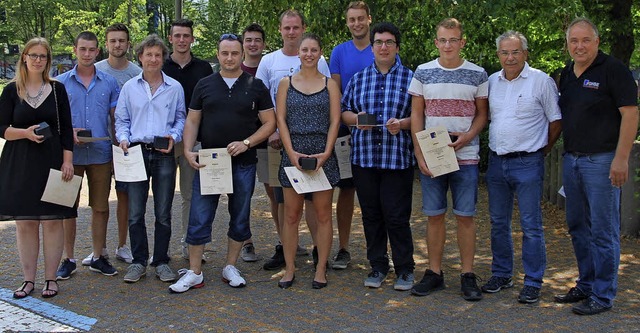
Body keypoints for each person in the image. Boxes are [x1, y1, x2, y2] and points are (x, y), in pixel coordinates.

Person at [168, 33, 276, 292]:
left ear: (242, 55)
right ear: (217, 55)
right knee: (199, 216)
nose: (230, 58)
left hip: (244, 162)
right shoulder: (205, 85)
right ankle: (195, 272)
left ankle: (230, 266)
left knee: (239, 216)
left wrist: (247, 143)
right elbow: (193, 120)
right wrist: (189, 149)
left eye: (234, 53)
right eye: (225, 53)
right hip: (210, 162)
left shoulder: (255, 85)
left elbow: (270, 122)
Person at [555, 17, 639, 315]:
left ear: (597, 42)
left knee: (603, 230)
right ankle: (587, 284)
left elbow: (630, 115)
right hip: (572, 160)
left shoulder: (613, 70)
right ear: (568, 44)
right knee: (578, 226)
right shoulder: (566, 73)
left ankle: (603, 295)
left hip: (602, 161)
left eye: (585, 40)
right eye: (573, 41)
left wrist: (621, 157)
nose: (579, 46)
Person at [409, 18, 488, 301]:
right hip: (434, 156)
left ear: (462, 42)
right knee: (434, 216)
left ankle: (467, 275)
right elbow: (417, 115)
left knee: (465, 217)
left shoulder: (477, 74)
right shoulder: (423, 72)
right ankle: (434, 273)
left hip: (466, 156)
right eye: (442, 40)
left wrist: (468, 136)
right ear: (436, 42)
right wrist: (419, 152)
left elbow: (482, 113)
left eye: (453, 40)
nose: (447, 45)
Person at [481, 31, 562, 303]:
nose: (510, 57)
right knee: (498, 222)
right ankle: (502, 274)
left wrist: (542, 150)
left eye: (515, 52)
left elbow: (555, 121)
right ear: (498, 55)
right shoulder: (492, 81)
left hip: (528, 162)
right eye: (504, 52)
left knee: (531, 225)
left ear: (525, 53)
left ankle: (533, 280)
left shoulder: (541, 81)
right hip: (496, 162)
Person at [341, 22, 415, 291]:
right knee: (371, 215)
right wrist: (357, 119)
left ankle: (405, 268)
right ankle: (378, 266)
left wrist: (404, 124)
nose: (384, 47)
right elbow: (343, 112)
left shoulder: (411, 79)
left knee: (396, 216)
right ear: (372, 47)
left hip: (397, 159)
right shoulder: (359, 78)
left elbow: (421, 117)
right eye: (379, 42)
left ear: (397, 47)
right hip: (365, 159)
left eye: (389, 42)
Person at [256, 9, 331, 270]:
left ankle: (319, 255)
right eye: (286, 28)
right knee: (285, 205)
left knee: (317, 206)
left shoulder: (322, 67)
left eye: (295, 28)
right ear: (280, 30)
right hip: (282, 144)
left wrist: (326, 150)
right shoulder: (269, 63)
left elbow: (329, 111)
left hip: (320, 150)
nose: (291, 32)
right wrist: (276, 134)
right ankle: (285, 254)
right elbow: (264, 102)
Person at [0, 37, 75, 298]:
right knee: (26, 222)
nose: (38, 60)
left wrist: (68, 160)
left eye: (43, 56)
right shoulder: (11, 90)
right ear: (24, 57)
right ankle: (28, 280)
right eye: (33, 55)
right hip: (19, 163)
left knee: (53, 222)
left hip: (52, 161)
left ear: (48, 60)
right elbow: (1, 129)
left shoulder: (57, 90)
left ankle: (51, 279)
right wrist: (24, 133)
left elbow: (66, 128)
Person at [115, 34, 185, 284]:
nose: (153, 59)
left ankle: (161, 260)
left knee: (163, 212)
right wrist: (123, 137)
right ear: (140, 57)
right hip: (135, 152)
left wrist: (174, 136)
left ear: (163, 58)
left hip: (164, 154)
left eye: (157, 55)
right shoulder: (129, 87)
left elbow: (181, 118)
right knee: (135, 212)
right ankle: (138, 261)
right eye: (148, 55)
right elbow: (121, 120)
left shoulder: (174, 87)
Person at [276, 33, 341, 289]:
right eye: (305, 49)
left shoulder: (330, 85)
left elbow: (335, 120)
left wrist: (326, 153)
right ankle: (290, 268)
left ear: (320, 52)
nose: (309, 54)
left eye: (314, 50)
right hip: (293, 154)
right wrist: (291, 153)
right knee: (291, 215)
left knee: (324, 215)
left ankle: (321, 268)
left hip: (323, 155)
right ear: (298, 52)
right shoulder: (285, 83)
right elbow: (280, 120)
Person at [55, 31, 121, 279]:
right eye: (82, 49)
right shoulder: (59, 83)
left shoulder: (109, 83)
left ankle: (97, 256)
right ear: (75, 50)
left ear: (97, 51)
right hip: (69, 156)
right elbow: (54, 120)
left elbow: (116, 120)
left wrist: (117, 150)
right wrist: (66, 132)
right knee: (67, 209)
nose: (87, 54)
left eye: (91, 49)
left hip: (100, 153)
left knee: (101, 207)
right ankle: (68, 258)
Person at [162, 18, 213, 262]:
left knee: (190, 197)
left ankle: (188, 245)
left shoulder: (204, 69)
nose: (182, 40)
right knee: (163, 196)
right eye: (177, 35)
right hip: (164, 140)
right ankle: (160, 250)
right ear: (170, 38)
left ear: (192, 39)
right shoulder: (158, 66)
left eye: (186, 36)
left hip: (194, 142)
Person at [327, 0, 371, 270]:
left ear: (368, 19)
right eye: (352, 19)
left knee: (375, 195)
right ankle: (343, 248)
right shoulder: (339, 52)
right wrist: (351, 121)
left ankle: (377, 250)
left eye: (360, 18)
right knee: (346, 191)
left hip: (379, 134)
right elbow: (336, 93)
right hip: (346, 131)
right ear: (348, 23)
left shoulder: (382, 47)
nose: (356, 23)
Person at [94, 23, 142, 265]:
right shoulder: (94, 70)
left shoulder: (136, 73)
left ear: (129, 44)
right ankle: (98, 248)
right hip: (98, 145)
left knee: (125, 197)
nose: (117, 45)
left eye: (122, 40)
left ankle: (123, 245)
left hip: (127, 146)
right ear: (106, 43)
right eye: (113, 40)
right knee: (100, 200)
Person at [239, 23, 267, 262]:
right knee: (243, 193)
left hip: (269, 139)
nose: (253, 44)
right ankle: (246, 241)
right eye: (248, 40)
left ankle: (284, 240)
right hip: (241, 141)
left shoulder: (271, 66)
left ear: (264, 44)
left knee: (275, 192)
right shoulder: (234, 68)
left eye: (257, 40)